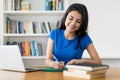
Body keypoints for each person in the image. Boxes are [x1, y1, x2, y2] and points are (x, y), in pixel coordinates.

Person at [45, 3, 102, 69]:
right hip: (55, 73)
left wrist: (81, 61)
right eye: (71, 18)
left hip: (74, 74)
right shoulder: (54, 34)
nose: (73, 23)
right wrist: (53, 64)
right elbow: (47, 60)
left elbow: (98, 62)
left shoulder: (84, 38)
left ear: (82, 24)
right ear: (66, 17)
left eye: (78, 21)